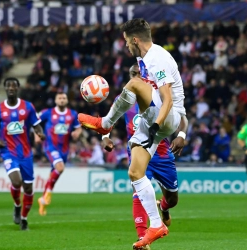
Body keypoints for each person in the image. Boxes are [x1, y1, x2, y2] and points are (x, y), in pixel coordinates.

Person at [78, 18, 186, 249]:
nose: (126, 46)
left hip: (167, 116)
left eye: (127, 41)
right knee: (135, 172)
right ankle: (156, 225)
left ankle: (105, 123)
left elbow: (167, 100)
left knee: (135, 84)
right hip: (153, 120)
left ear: (135, 39)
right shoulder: (142, 58)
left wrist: (156, 126)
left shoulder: (157, 58)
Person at [102, 64, 188, 250]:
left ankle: (163, 207)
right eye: (133, 74)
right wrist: (105, 137)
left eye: (139, 74)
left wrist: (181, 135)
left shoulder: (159, 94)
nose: (136, 77)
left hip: (162, 153)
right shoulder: (122, 98)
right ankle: (143, 238)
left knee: (172, 200)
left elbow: (181, 116)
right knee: (138, 190)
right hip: (138, 149)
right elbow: (110, 119)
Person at [0, 77, 45, 230]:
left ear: (18, 88)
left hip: (25, 153)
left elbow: (36, 125)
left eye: (13, 86)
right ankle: (16, 204)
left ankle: (24, 219)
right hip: (8, 151)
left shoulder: (28, 107)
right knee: (16, 182)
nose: (11, 89)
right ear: (5, 88)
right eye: (8, 86)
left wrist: (40, 134)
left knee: (28, 188)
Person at [37, 92, 82, 216]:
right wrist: (37, 133)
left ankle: (43, 199)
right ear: (55, 100)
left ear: (67, 100)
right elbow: (34, 121)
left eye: (64, 98)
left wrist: (77, 133)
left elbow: (78, 127)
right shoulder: (48, 112)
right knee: (60, 168)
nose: (62, 100)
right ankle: (48, 195)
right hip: (50, 146)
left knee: (55, 172)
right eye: (59, 98)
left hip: (64, 149)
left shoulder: (72, 114)